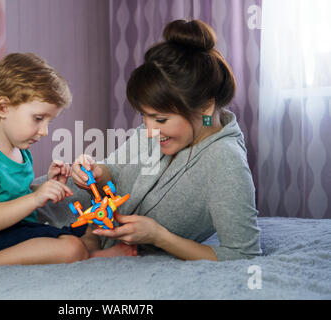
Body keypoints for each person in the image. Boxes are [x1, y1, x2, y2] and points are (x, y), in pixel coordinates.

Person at [71, 19, 261, 261]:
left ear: (204, 107)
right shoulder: (160, 132)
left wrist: (159, 236)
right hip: (63, 208)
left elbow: (242, 253)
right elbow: (114, 170)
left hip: (81, 235)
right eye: (144, 116)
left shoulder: (225, 162)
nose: (148, 131)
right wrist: (95, 172)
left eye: (159, 119)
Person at [0, 52, 134, 267]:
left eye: (48, 122)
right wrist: (35, 199)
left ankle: (87, 254)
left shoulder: (21, 152)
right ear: (3, 107)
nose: (45, 132)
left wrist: (46, 187)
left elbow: (12, 194)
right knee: (71, 247)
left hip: (22, 230)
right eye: (38, 119)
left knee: (88, 228)